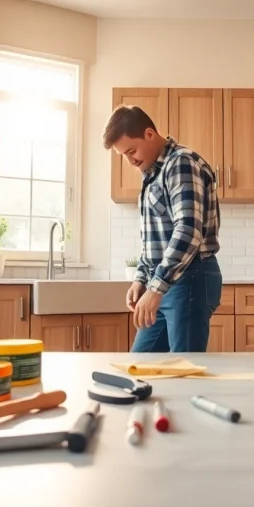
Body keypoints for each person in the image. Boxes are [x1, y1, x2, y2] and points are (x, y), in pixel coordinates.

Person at [103, 104, 222, 352]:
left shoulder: (181, 163)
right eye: (123, 155)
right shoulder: (152, 174)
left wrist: (156, 287)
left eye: (132, 150)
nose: (130, 160)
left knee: (184, 370)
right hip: (164, 281)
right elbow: (155, 239)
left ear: (149, 134)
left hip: (190, 279)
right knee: (140, 364)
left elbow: (188, 231)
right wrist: (141, 279)